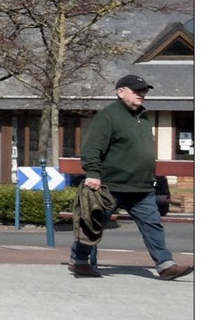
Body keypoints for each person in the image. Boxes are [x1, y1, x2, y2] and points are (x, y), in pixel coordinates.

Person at [69, 73, 190, 280]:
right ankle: (79, 261)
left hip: (141, 186)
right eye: (136, 91)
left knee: (152, 224)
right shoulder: (109, 116)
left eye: (143, 91)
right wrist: (93, 174)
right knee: (93, 224)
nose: (141, 94)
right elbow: (92, 149)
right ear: (120, 92)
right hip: (110, 186)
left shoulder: (143, 117)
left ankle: (165, 265)